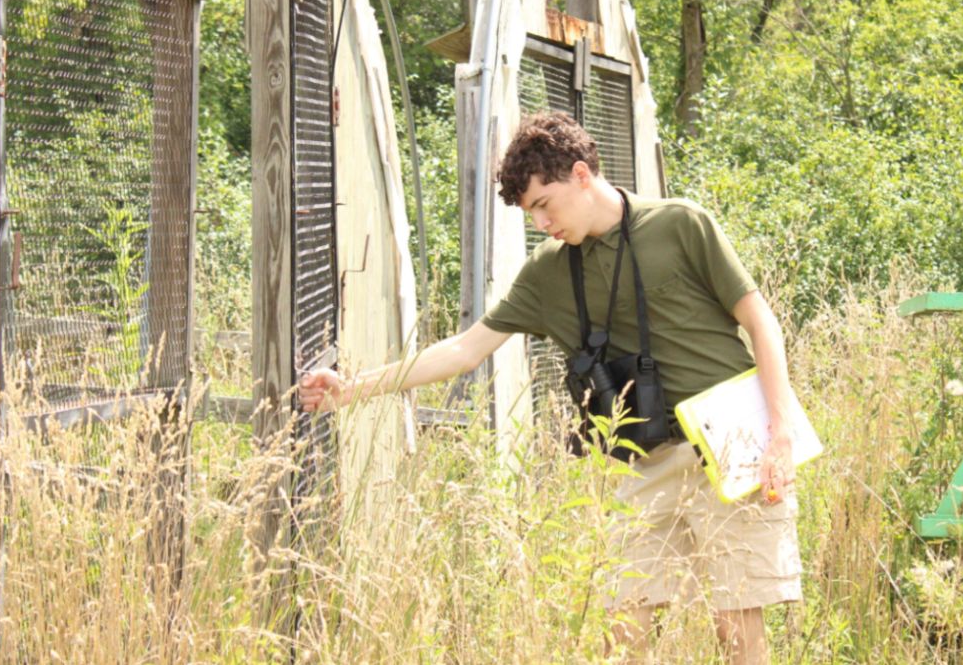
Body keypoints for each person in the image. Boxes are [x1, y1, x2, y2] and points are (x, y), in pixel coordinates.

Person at [300, 112, 801, 664]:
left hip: (733, 444)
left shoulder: (681, 223)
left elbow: (761, 322)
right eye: (528, 213)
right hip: (641, 457)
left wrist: (780, 435)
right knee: (623, 632)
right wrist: (353, 388)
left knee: (737, 628)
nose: (539, 222)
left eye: (544, 204)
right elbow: (464, 350)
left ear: (582, 175)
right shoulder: (547, 273)